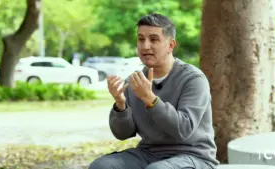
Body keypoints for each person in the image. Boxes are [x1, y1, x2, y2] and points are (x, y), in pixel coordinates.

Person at [89, 13, 219, 169]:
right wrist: (120, 105)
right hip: (148, 154)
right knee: (101, 166)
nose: (145, 46)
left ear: (171, 45)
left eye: (154, 39)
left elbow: (183, 129)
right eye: (141, 39)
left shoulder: (193, 79)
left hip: (193, 156)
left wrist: (150, 99)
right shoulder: (134, 81)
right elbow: (123, 134)